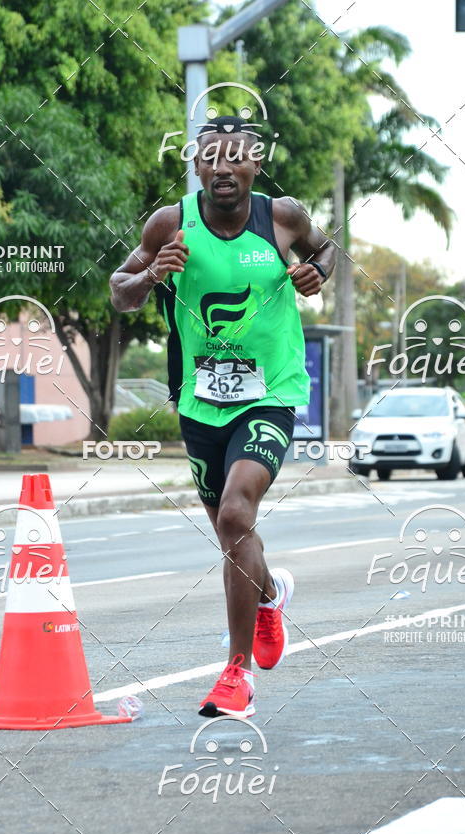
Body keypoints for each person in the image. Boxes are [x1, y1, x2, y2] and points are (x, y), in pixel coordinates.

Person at [109, 115, 335, 718]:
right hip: (199, 400)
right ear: (197, 165)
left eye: (236, 157)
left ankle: (235, 676)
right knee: (232, 533)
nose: (222, 168)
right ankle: (270, 595)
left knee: (238, 510)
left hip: (270, 393)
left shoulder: (282, 217)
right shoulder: (170, 223)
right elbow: (118, 288)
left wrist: (318, 273)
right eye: (210, 157)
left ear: (255, 165)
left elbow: (325, 249)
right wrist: (151, 274)